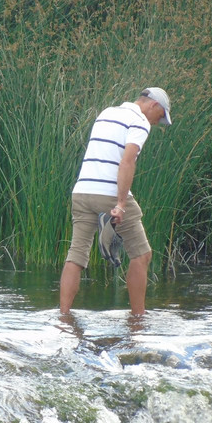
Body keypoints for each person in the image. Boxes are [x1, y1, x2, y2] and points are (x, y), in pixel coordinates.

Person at [59, 87, 171, 317]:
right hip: (108, 194)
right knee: (142, 255)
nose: (158, 122)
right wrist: (120, 204)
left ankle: (64, 317)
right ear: (154, 106)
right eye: (160, 117)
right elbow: (127, 161)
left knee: (77, 255)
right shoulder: (140, 121)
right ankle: (138, 320)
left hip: (81, 192)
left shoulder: (106, 113)